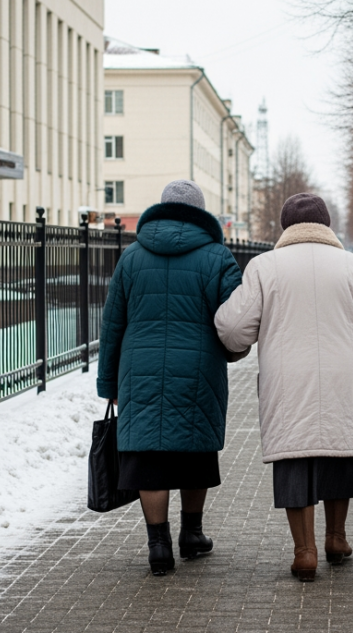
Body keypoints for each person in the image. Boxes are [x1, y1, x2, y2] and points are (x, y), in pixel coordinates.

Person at [215, 193, 353, 582]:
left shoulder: (265, 266)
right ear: (326, 225)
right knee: (336, 453)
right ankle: (336, 538)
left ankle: (304, 552)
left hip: (287, 377)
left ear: (286, 227)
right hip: (343, 378)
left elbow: (234, 331)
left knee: (293, 458)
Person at [97, 179, 243, 576]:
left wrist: (108, 383)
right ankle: (191, 534)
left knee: (148, 456)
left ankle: (158, 544)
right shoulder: (217, 257)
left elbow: (112, 325)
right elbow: (235, 319)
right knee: (194, 451)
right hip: (198, 369)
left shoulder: (132, 257)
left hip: (139, 371)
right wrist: (234, 351)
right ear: (200, 212)